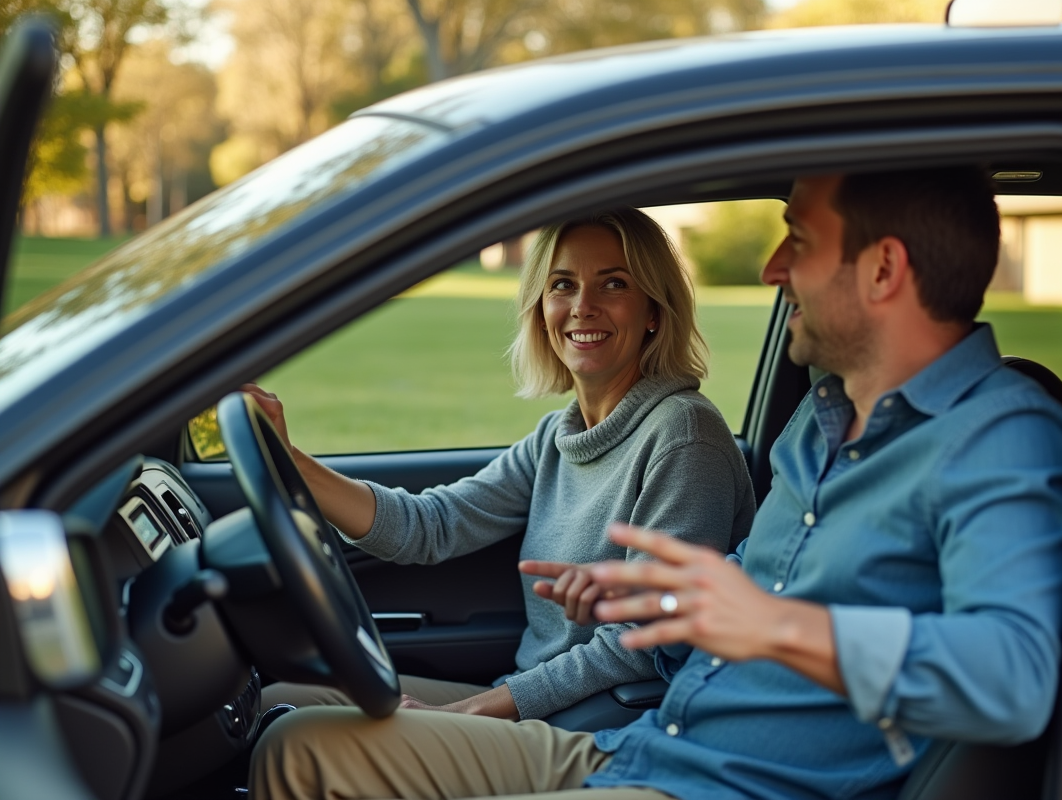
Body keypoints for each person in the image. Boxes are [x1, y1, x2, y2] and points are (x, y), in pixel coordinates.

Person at [250, 166, 1062, 800]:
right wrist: (655, 600)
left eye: (799, 238)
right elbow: (714, 618)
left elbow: (1011, 676)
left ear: (883, 269)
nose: (770, 268)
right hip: (658, 745)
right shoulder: (818, 426)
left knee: (299, 748)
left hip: (716, 784)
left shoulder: (999, 436)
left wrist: (769, 621)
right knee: (297, 739)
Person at [248, 206, 756, 723]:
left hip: (604, 726)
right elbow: (430, 525)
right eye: (562, 285)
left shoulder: (684, 437)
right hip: (534, 703)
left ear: (654, 311)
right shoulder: (558, 437)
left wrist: (472, 712)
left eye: (614, 284)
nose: (583, 306)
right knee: (281, 701)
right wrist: (290, 462)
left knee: (303, 740)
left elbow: (640, 643)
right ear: (540, 307)